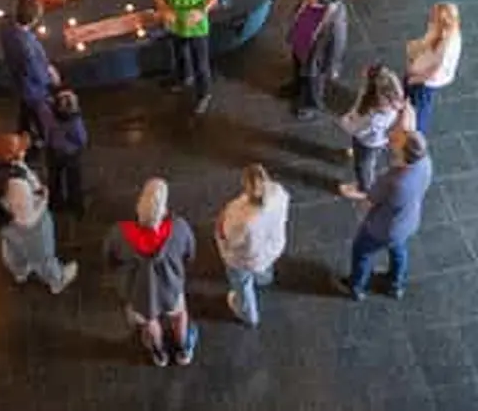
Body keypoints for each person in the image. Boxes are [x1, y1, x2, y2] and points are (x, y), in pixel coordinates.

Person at [104, 177, 198, 368]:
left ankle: (159, 353)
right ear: (163, 208)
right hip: (171, 289)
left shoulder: (120, 233)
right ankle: (183, 350)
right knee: (179, 315)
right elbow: (190, 253)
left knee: (149, 321)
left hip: (139, 294)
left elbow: (109, 258)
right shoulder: (179, 227)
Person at [337, 125, 432, 301]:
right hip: (408, 221)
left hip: (382, 228)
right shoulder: (425, 162)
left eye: (397, 142)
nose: (392, 141)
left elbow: (370, 200)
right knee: (398, 249)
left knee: (362, 252)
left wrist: (358, 203)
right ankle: (395, 285)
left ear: (404, 156)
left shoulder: (394, 180)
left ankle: (355, 287)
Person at [0, 132, 78, 293]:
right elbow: (28, 220)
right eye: (20, 149)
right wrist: (44, 200)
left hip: (6, 221)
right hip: (29, 228)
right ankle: (57, 280)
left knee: (12, 248)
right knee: (43, 255)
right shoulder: (18, 185)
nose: (25, 150)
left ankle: (20, 271)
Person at [215, 163, 290, 327]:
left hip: (246, 259)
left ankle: (248, 313)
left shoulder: (240, 216)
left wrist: (220, 224)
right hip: (273, 247)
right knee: (264, 266)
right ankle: (264, 279)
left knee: (242, 283)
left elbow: (229, 238)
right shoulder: (279, 193)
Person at [154, 0, 220, 115]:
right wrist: (165, 9)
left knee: (201, 63)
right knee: (180, 54)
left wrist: (202, 11)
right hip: (176, 22)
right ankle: (183, 78)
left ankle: (204, 94)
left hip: (196, 24)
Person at [338, 64, 406, 201]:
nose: (363, 75)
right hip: (373, 139)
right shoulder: (390, 102)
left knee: (363, 166)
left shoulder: (373, 117)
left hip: (368, 143)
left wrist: (344, 121)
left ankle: (365, 188)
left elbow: (357, 130)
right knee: (365, 157)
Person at [0, 0, 60, 141]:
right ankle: (41, 138)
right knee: (38, 114)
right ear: (34, 20)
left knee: (25, 108)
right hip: (32, 88)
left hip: (17, 78)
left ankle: (22, 129)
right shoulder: (27, 48)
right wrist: (50, 76)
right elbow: (37, 73)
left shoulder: (6, 26)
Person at [286, 0, 348, 119]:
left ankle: (311, 105)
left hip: (315, 57)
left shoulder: (334, 21)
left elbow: (337, 45)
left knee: (313, 82)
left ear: (320, 0)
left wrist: (333, 67)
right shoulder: (306, 0)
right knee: (298, 71)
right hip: (300, 46)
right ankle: (296, 87)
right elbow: (297, 13)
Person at [405, 2, 462, 135]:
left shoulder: (449, 45)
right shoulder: (437, 28)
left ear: (443, 22)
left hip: (424, 81)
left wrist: (415, 79)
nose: (430, 17)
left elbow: (435, 71)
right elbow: (428, 42)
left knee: (420, 106)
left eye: (434, 16)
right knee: (409, 96)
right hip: (417, 71)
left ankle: (416, 134)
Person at [36, 87, 88, 218]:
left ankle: (55, 203)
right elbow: (82, 139)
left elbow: (42, 106)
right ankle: (76, 206)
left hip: (53, 150)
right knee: (74, 180)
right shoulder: (74, 122)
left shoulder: (46, 113)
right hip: (70, 153)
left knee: (54, 177)